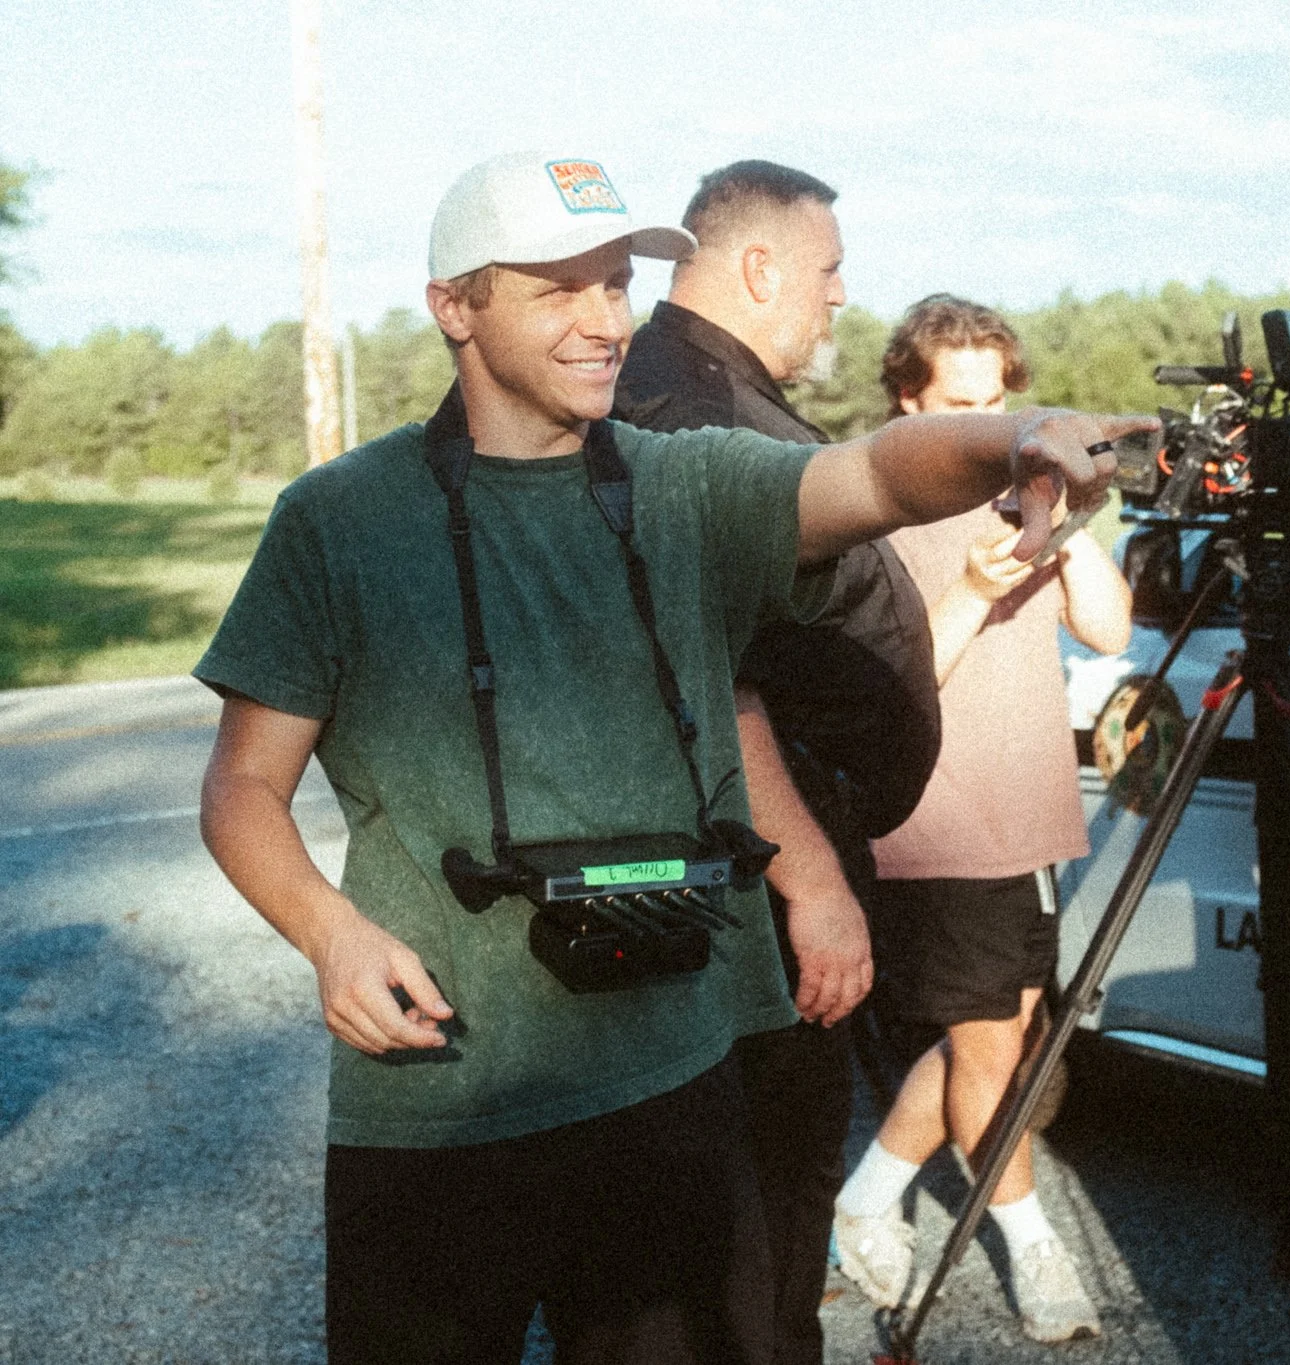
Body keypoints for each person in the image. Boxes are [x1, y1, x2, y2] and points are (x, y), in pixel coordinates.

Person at [195, 154, 1146, 1365]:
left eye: (613, 283)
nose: (604, 320)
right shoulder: (340, 520)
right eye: (557, 291)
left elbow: (869, 476)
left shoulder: (683, 484)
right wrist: (329, 933)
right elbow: (241, 786)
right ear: (455, 308)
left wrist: (1014, 437)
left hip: (673, 1075)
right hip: (441, 1092)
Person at [611, 160, 940, 1365]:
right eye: (828, 271)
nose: (841, 299)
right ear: (756, 268)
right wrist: (813, 883)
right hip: (752, 857)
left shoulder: (711, 387)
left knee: (760, 1210)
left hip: (779, 837)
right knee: (753, 1205)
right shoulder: (684, 409)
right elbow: (713, 674)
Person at [831, 296, 1132, 1345]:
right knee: (989, 1045)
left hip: (1029, 819)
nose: (986, 420)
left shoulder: (1024, 492)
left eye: (998, 398)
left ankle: (867, 1195)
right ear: (908, 402)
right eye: (959, 402)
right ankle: (1031, 1242)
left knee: (1000, 1036)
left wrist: (1069, 520)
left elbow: (1105, 631)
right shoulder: (883, 518)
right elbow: (893, 690)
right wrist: (968, 585)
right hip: (941, 824)